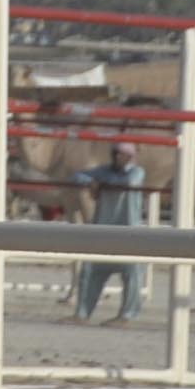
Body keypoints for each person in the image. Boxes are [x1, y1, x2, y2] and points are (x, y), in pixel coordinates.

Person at [76, 138, 150, 323]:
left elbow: (128, 182)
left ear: (130, 157)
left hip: (129, 233)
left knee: (133, 274)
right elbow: (77, 176)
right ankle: (82, 314)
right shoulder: (103, 172)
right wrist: (91, 181)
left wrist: (99, 183)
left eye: (121, 154)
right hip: (104, 231)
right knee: (89, 271)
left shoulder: (137, 172)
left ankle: (127, 316)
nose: (117, 157)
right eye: (115, 153)